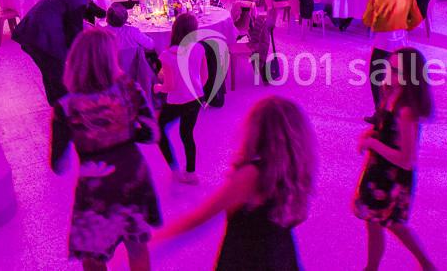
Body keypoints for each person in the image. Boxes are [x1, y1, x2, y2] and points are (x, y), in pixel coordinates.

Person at [158, 95, 316, 270]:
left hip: (245, 261)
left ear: (258, 131)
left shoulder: (251, 175)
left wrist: (158, 236)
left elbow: (201, 216)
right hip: (281, 258)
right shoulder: (292, 172)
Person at [51, 27, 161, 271]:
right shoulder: (130, 89)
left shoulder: (65, 107)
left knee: (93, 257)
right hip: (134, 175)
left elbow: (59, 165)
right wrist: (123, 130)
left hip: (95, 184)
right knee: (137, 247)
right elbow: (152, 134)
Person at [354, 48, 436, 271]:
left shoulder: (406, 110)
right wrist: (372, 133)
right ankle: (371, 267)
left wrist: (373, 144)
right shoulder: (390, 94)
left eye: (396, 70)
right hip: (378, 170)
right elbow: (383, 128)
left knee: (395, 225)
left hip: (393, 178)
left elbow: (407, 160)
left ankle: (427, 264)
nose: (388, 72)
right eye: (388, 66)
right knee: (373, 223)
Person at [12, 0, 104, 106]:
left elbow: (89, 5)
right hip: (41, 38)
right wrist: (77, 51)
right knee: (57, 72)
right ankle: (66, 109)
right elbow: (74, 29)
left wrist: (106, 14)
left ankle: (57, 105)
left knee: (50, 71)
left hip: (31, 33)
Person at [364, 0, 423, 112]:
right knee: (400, 80)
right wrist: (403, 27)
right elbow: (416, 20)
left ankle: (380, 112)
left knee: (376, 79)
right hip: (401, 44)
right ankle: (397, 110)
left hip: (382, 44)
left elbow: (367, 20)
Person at [154, 13, 206, 184]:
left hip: (176, 101)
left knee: (159, 129)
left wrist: (158, 87)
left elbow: (170, 86)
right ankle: (191, 172)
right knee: (187, 134)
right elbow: (204, 76)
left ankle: (175, 169)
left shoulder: (167, 55)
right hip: (195, 98)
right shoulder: (199, 48)